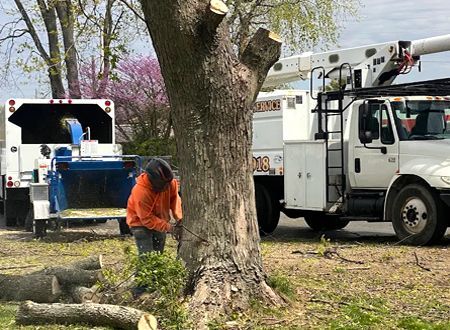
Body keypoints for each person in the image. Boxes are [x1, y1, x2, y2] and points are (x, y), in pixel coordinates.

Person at [126, 158, 183, 255]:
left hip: (160, 220)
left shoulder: (171, 184)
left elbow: (175, 201)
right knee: (147, 257)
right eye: (163, 185)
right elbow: (146, 219)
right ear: (153, 180)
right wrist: (170, 228)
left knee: (158, 255)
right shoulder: (141, 192)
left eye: (167, 185)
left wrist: (180, 219)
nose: (166, 188)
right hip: (139, 223)